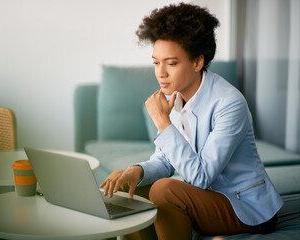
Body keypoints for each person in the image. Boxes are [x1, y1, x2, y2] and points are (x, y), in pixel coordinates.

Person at [100, 3, 283, 240]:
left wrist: (162, 121)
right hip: (205, 197)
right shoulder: (176, 96)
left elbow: (201, 176)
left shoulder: (229, 103)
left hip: (247, 207)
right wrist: (137, 171)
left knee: (164, 191)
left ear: (197, 62)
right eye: (156, 62)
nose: (160, 73)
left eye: (171, 63)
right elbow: (166, 160)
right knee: (127, 190)